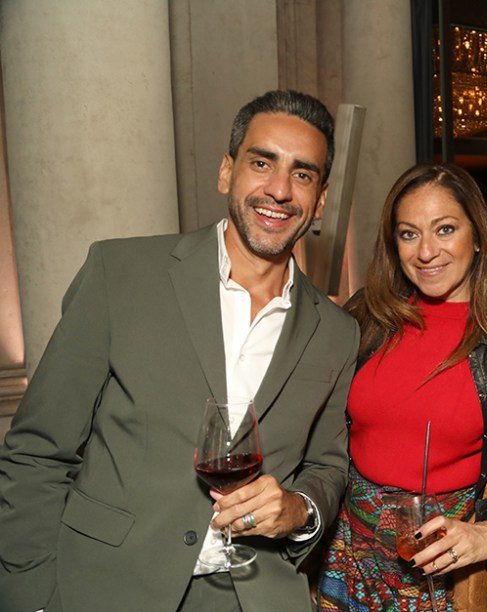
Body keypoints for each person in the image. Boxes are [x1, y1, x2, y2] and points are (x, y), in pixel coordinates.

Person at [0, 90, 359, 612]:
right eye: (262, 163)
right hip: (106, 589)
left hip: (255, 594)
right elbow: (37, 451)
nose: (279, 189)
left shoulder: (336, 331)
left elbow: (327, 467)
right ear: (226, 172)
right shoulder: (119, 275)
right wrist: (33, 596)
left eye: (302, 174)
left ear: (320, 200)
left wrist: (299, 508)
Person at [317, 162, 487, 610]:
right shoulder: (367, 318)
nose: (426, 251)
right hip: (349, 556)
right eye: (409, 234)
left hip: (451, 566)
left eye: (445, 229)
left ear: (477, 237)